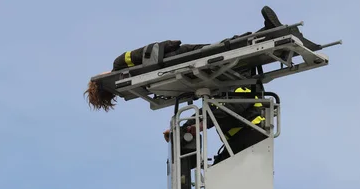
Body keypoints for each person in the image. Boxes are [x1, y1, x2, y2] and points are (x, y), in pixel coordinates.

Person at [85, 6, 283, 111]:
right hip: (177, 58)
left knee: (223, 50)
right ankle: (266, 32)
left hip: (177, 72)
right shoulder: (118, 66)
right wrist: (169, 44)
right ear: (99, 79)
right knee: (222, 48)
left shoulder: (132, 90)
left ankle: (265, 33)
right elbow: (144, 53)